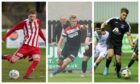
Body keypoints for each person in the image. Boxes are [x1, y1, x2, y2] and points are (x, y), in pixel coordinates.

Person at [2, 9, 46, 79]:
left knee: (36, 60)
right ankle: (4, 56)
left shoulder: (37, 21)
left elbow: (39, 31)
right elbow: (13, 29)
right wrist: (3, 39)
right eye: (30, 16)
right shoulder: (24, 23)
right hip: (26, 46)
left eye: (33, 17)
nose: (32, 18)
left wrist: (45, 40)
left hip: (35, 47)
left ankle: (26, 76)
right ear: (28, 16)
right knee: (12, 61)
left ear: (36, 16)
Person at [101, 8, 134, 78]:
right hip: (111, 41)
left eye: (126, 16)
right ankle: (106, 68)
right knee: (110, 55)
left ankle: (118, 73)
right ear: (120, 13)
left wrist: (131, 44)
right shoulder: (113, 19)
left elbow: (129, 35)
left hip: (118, 44)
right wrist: (103, 30)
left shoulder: (127, 24)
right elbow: (103, 24)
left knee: (118, 60)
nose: (124, 16)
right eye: (123, 15)